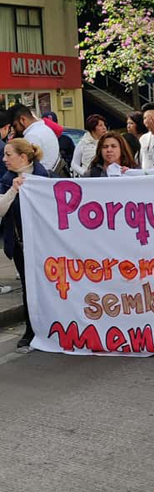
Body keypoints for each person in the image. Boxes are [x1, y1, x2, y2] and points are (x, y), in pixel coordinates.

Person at [0, 138, 51, 352]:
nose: (4, 159)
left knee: (50, 286)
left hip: (46, 245)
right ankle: (31, 330)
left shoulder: (46, 177)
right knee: (29, 289)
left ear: (23, 157)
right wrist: (13, 191)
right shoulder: (5, 180)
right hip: (20, 245)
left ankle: (54, 326)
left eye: (8, 154)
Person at [8, 104, 59, 174]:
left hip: (38, 178)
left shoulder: (32, 136)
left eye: (15, 126)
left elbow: (25, 165)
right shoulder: (45, 129)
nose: (15, 130)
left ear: (22, 119)